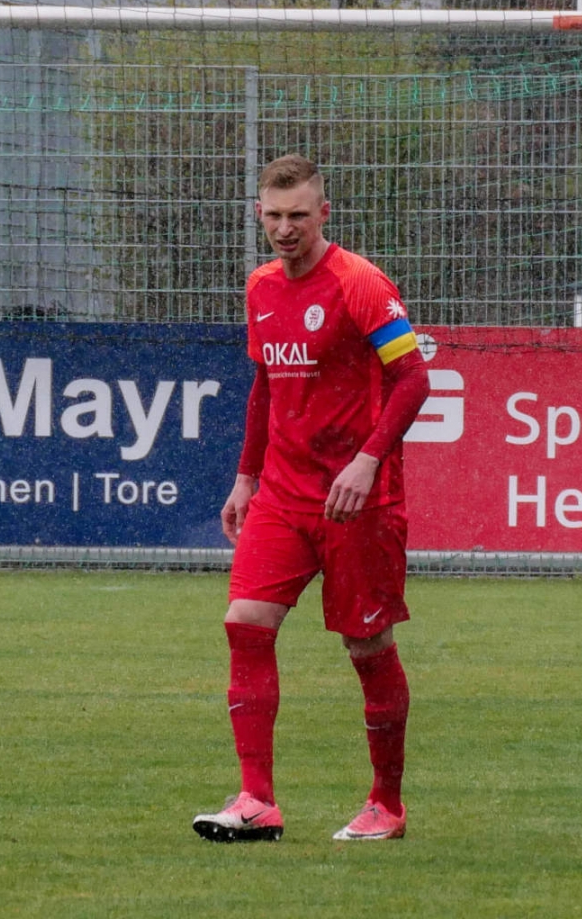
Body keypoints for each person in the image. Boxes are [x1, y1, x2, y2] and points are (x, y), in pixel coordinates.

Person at [193, 154, 430, 843]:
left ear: (324, 213)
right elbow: (266, 385)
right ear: (258, 215)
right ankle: (256, 801)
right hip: (283, 495)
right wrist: (246, 477)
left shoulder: (361, 284)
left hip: (360, 500)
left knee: (367, 644)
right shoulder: (261, 286)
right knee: (245, 623)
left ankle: (386, 806)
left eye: (298, 215)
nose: (285, 228)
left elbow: (413, 380)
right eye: (273, 215)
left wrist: (366, 461)